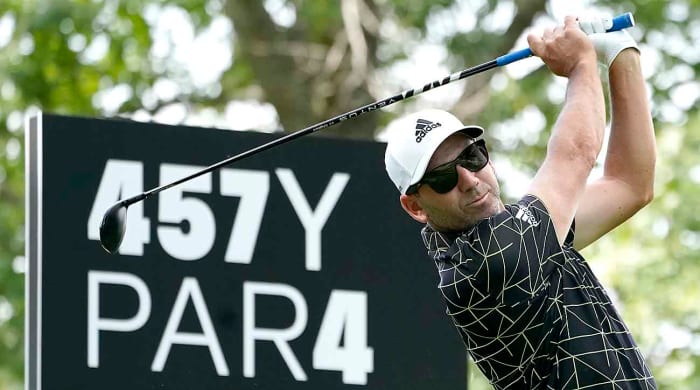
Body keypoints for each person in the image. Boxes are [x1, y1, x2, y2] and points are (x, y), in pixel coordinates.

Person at [383, 15, 657, 389]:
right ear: (415, 207)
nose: (468, 179)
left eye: (472, 157)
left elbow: (630, 185)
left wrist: (620, 55)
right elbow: (576, 153)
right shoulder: (488, 263)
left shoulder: (530, 238)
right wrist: (580, 64)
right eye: (443, 177)